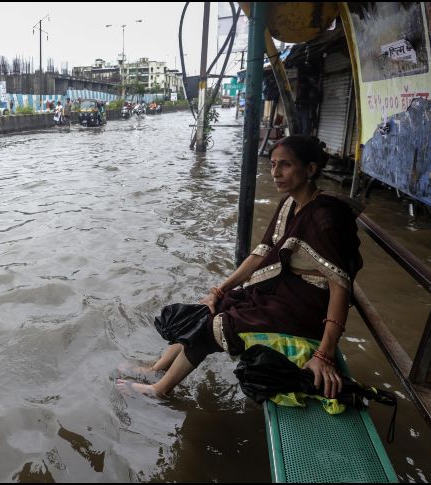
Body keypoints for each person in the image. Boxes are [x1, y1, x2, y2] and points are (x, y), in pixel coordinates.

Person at [117, 136, 363, 401]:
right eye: (273, 165)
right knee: (207, 310)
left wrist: (324, 355)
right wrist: (218, 291)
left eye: (286, 165)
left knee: (216, 327)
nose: (276, 173)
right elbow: (260, 255)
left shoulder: (325, 216)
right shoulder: (290, 204)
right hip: (283, 294)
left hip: (304, 308)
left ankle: (159, 390)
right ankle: (157, 368)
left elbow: (340, 286)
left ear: (310, 169)